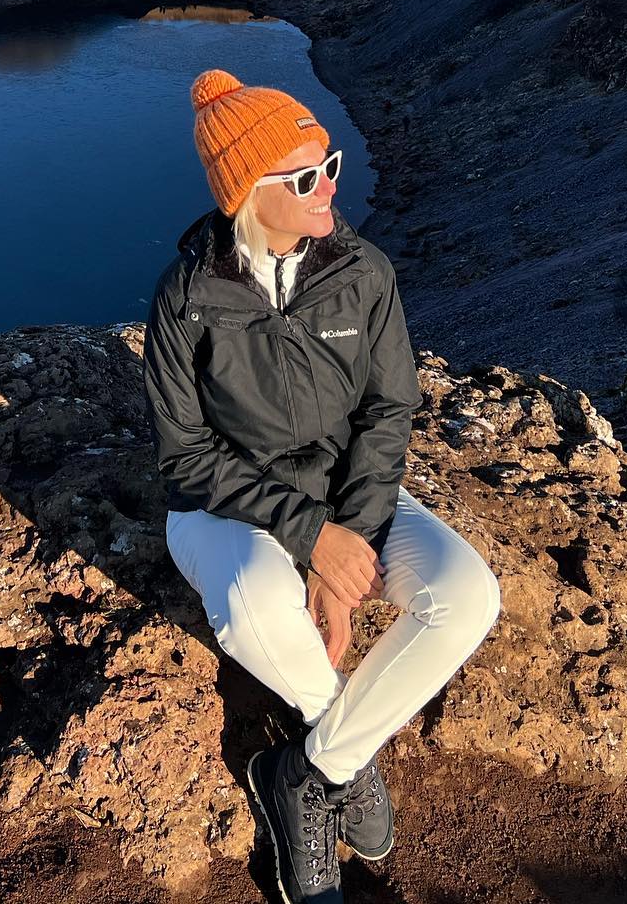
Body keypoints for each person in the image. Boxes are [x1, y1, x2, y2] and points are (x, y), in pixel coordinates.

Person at [143, 70, 502, 904]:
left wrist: (352, 543)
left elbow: (388, 411)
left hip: (346, 494)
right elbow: (184, 457)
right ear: (247, 193)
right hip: (223, 510)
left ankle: (305, 772)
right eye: (303, 178)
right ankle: (352, 751)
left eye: (328, 163)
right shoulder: (186, 299)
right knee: (255, 602)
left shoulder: (362, 272)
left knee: (466, 594)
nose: (328, 188)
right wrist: (311, 540)